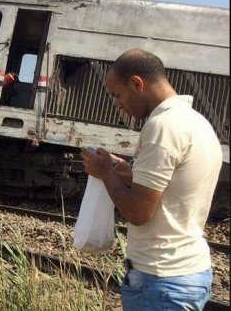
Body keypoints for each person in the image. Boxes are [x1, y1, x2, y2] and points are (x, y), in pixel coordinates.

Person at [81, 49, 222, 311]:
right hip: (186, 271)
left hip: (161, 281)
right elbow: (174, 189)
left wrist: (106, 172)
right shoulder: (196, 121)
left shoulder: (162, 127)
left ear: (137, 83)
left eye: (117, 94)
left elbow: (138, 212)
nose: (117, 104)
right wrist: (127, 171)